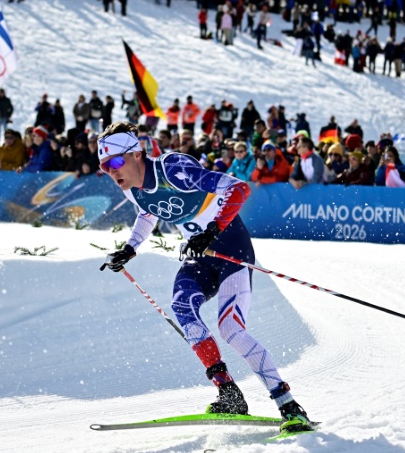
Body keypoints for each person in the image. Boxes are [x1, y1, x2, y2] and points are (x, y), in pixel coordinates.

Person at [98, 122, 314, 433]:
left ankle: (289, 405)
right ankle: (228, 391)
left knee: (231, 329)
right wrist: (129, 249)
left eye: (115, 162)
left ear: (135, 154)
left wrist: (211, 230)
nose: (111, 171)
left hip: (230, 249)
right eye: (104, 168)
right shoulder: (132, 189)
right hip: (199, 256)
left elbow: (239, 189)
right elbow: (148, 213)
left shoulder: (173, 168)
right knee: (182, 307)